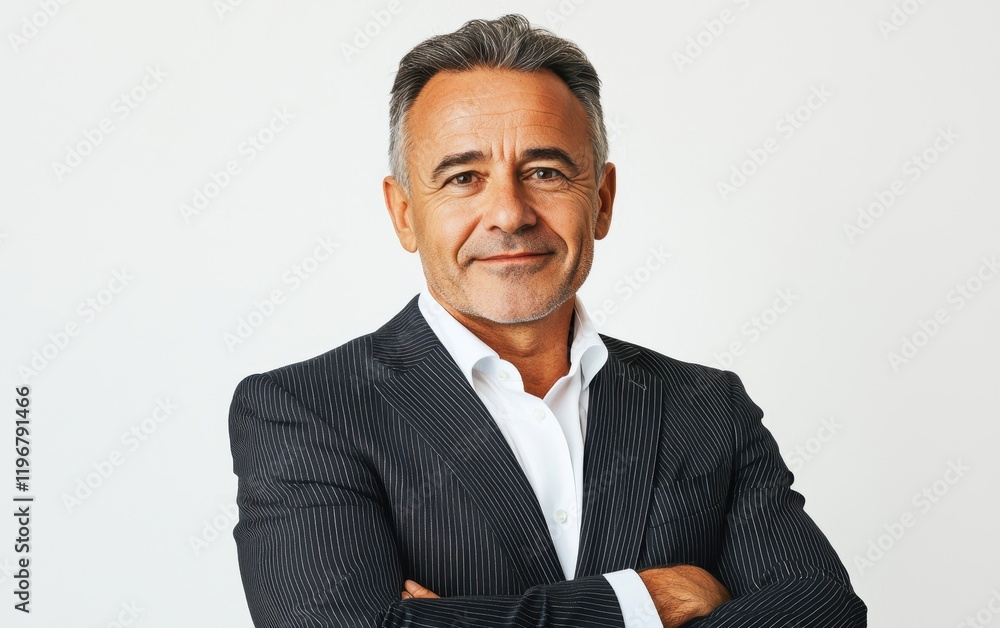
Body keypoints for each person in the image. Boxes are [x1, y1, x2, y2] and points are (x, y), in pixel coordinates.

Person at [228, 14, 866, 627]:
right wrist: (646, 603)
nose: (510, 213)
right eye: (464, 177)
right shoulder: (307, 411)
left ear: (602, 202)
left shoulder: (707, 407)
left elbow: (827, 613)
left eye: (544, 172)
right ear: (403, 213)